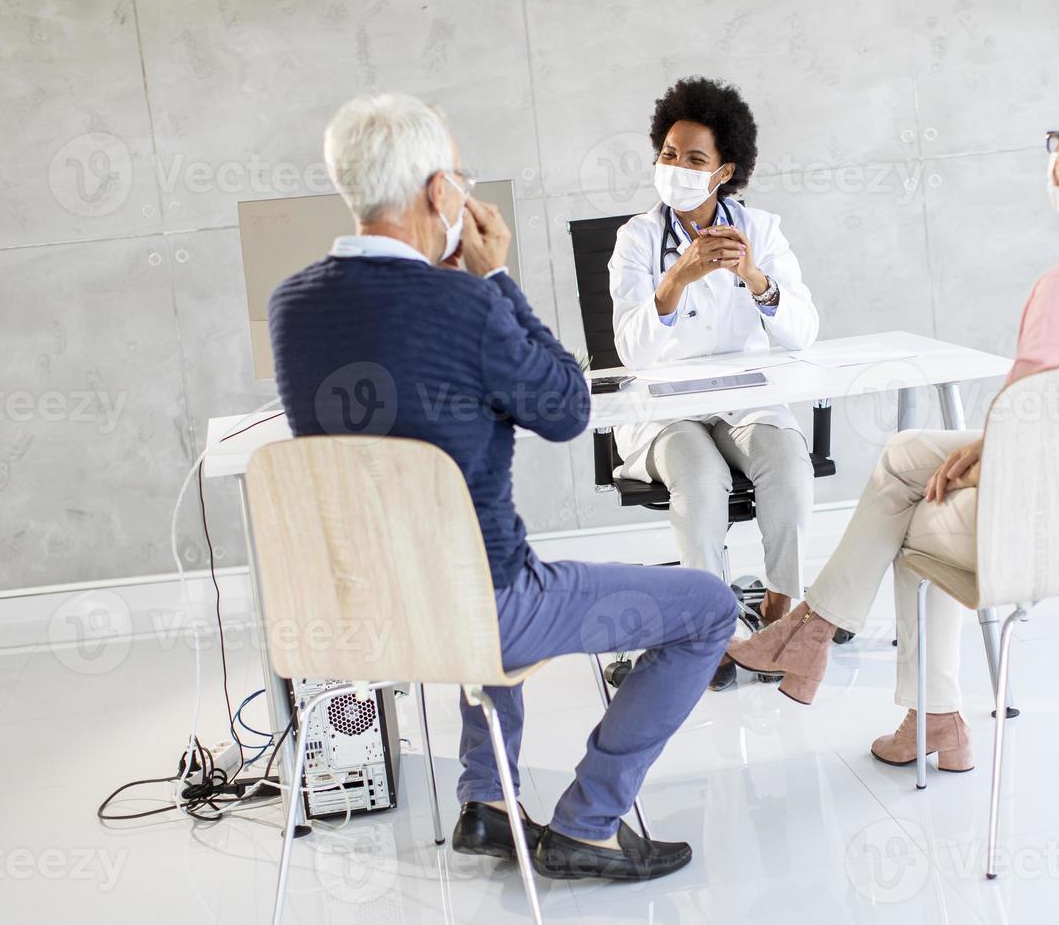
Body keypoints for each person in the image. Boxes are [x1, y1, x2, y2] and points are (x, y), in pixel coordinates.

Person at [268, 92, 736, 881]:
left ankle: (488, 802)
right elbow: (567, 407)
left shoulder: (292, 306)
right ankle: (588, 824)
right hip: (481, 612)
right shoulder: (468, 303)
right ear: (439, 193)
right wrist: (496, 280)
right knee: (710, 608)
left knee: (474, 555)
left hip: (361, 614)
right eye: (459, 176)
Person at [727, 77, 1059, 770]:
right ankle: (832, 651)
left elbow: (1031, 446)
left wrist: (993, 456)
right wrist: (988, 445)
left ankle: (880, 680)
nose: (1053, 154)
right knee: (906, 455)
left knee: (909, 518)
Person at [608, 77, 820, 689]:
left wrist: (755, 276)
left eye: (694, 159)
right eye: (669, 154)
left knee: (785, 458)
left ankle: (783, 612)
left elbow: (802, 332)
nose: (675, 167)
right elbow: (633, 350)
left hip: (743, 399)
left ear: (724, 171)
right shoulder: (638, 239)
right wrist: (676, 277)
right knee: (700, 477)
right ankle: (711, 631)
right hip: (664, 407)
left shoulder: (765, 231)